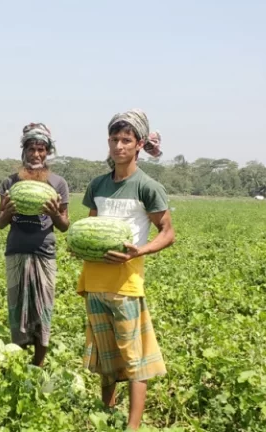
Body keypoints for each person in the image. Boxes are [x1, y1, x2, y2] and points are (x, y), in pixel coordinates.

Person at [76, 109, 175, 431]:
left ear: (139, 144)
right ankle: (106, 415)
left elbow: (167, 232)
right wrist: (78, 246)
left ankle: (132, 426)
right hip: (94, 280)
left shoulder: (147, 186)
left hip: (126, 283)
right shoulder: (98, 184)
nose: (119, 146)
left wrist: (141, 250)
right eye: (114, 140)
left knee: (135, 360)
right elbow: (88, 228)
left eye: (126, 140)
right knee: (105, 357)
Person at [0, 123, 70, 367]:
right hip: (16, 251)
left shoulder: (58, 183)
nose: (36, 154)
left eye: (41, 149)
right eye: (31, 149)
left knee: (43, 309)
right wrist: (8, 212)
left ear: (47, 152)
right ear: (24, 151)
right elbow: (0, 222)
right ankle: (18, 360)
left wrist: (55, 214)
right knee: (16, 310)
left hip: (44, 253)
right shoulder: (10, 182)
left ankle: (38, 364)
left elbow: (64, 225)